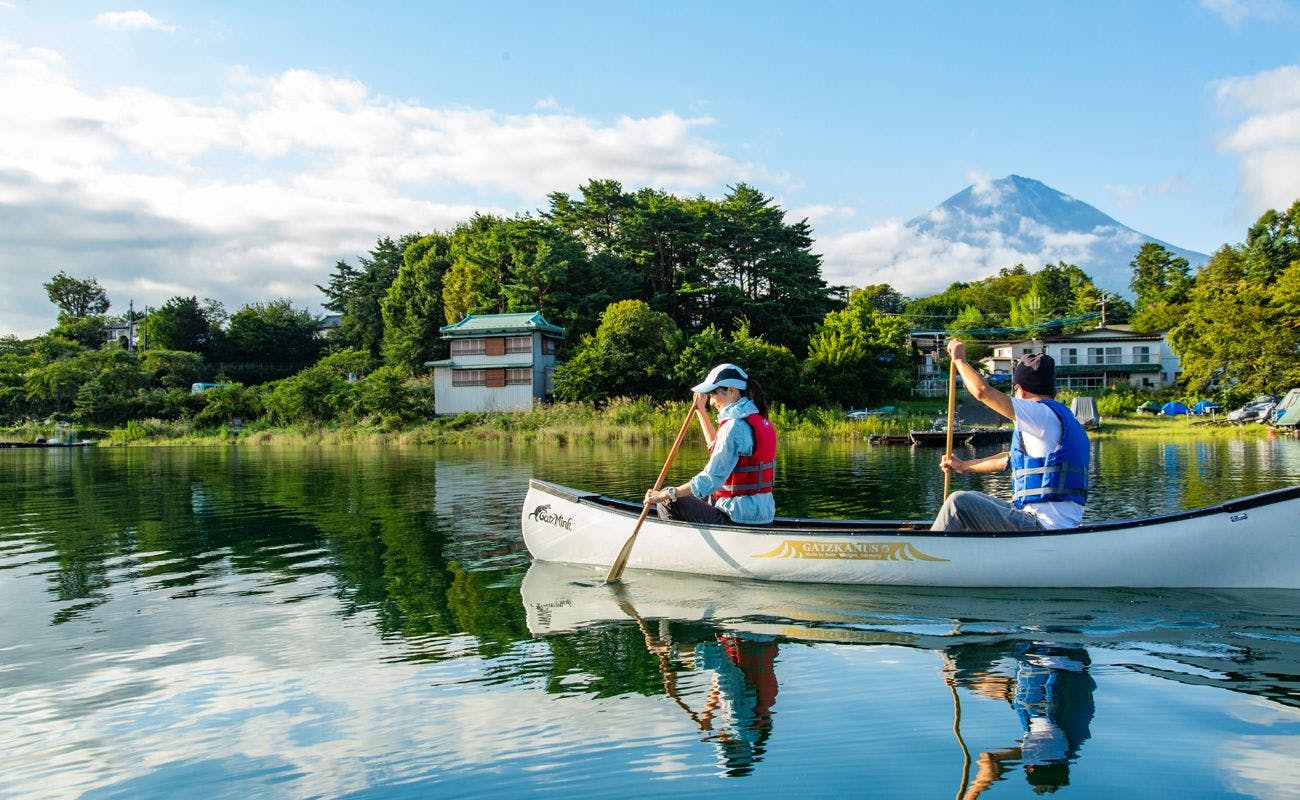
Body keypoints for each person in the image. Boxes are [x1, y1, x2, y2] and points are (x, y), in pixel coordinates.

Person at [931, 339, 1089, 532]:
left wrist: (959, 360)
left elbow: (982, 392)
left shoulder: (1040, 414)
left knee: (958, 502)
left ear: (1019, 391)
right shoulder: (1058, 420)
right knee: (972, 497)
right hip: (1047, 522)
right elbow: (1009, 460)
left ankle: (928, 555)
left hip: (1043, 526)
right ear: (1053, 391)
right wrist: (963, 466)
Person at [644, 363, 776, 526]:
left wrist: (667, 494)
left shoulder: (733, 426)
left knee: (667, 501)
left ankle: (680, 547)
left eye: (713, 394)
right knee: (700, 495)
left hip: (737, 518)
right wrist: (700, 410)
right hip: (762, 517)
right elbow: (717, 448)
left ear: (731, 390)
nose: (712, 402)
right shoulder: (760, 421)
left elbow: (711, 478)